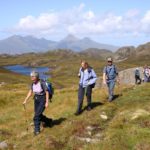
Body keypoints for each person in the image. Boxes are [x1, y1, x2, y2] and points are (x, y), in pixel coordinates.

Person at [23, 71, 52, 135]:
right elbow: (30, 92)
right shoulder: (32, 83)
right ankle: (49, 121)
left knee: (36, 116)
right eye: (31, 76)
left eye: (33, 76)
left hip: (43, 99)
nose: (31, 78)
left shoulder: (42, 83)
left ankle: (37, 131)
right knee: (38, 114)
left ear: (36, 77)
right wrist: (25, 100)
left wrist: (47, 102)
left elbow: (46, 92)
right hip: (36, 99)